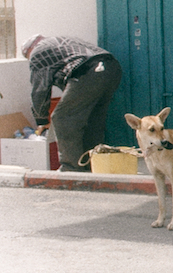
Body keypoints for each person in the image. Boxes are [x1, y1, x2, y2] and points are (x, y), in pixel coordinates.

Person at [21, 34, 122, 172]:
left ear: (29, 49)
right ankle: (92, 165)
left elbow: (40, 89)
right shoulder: (60, 42)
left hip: (88, 71)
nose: (30, 60)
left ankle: (71, 168)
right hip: (111, 68)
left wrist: (41, 119)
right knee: (92, 121)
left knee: (61, 118)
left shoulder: (37, 52)